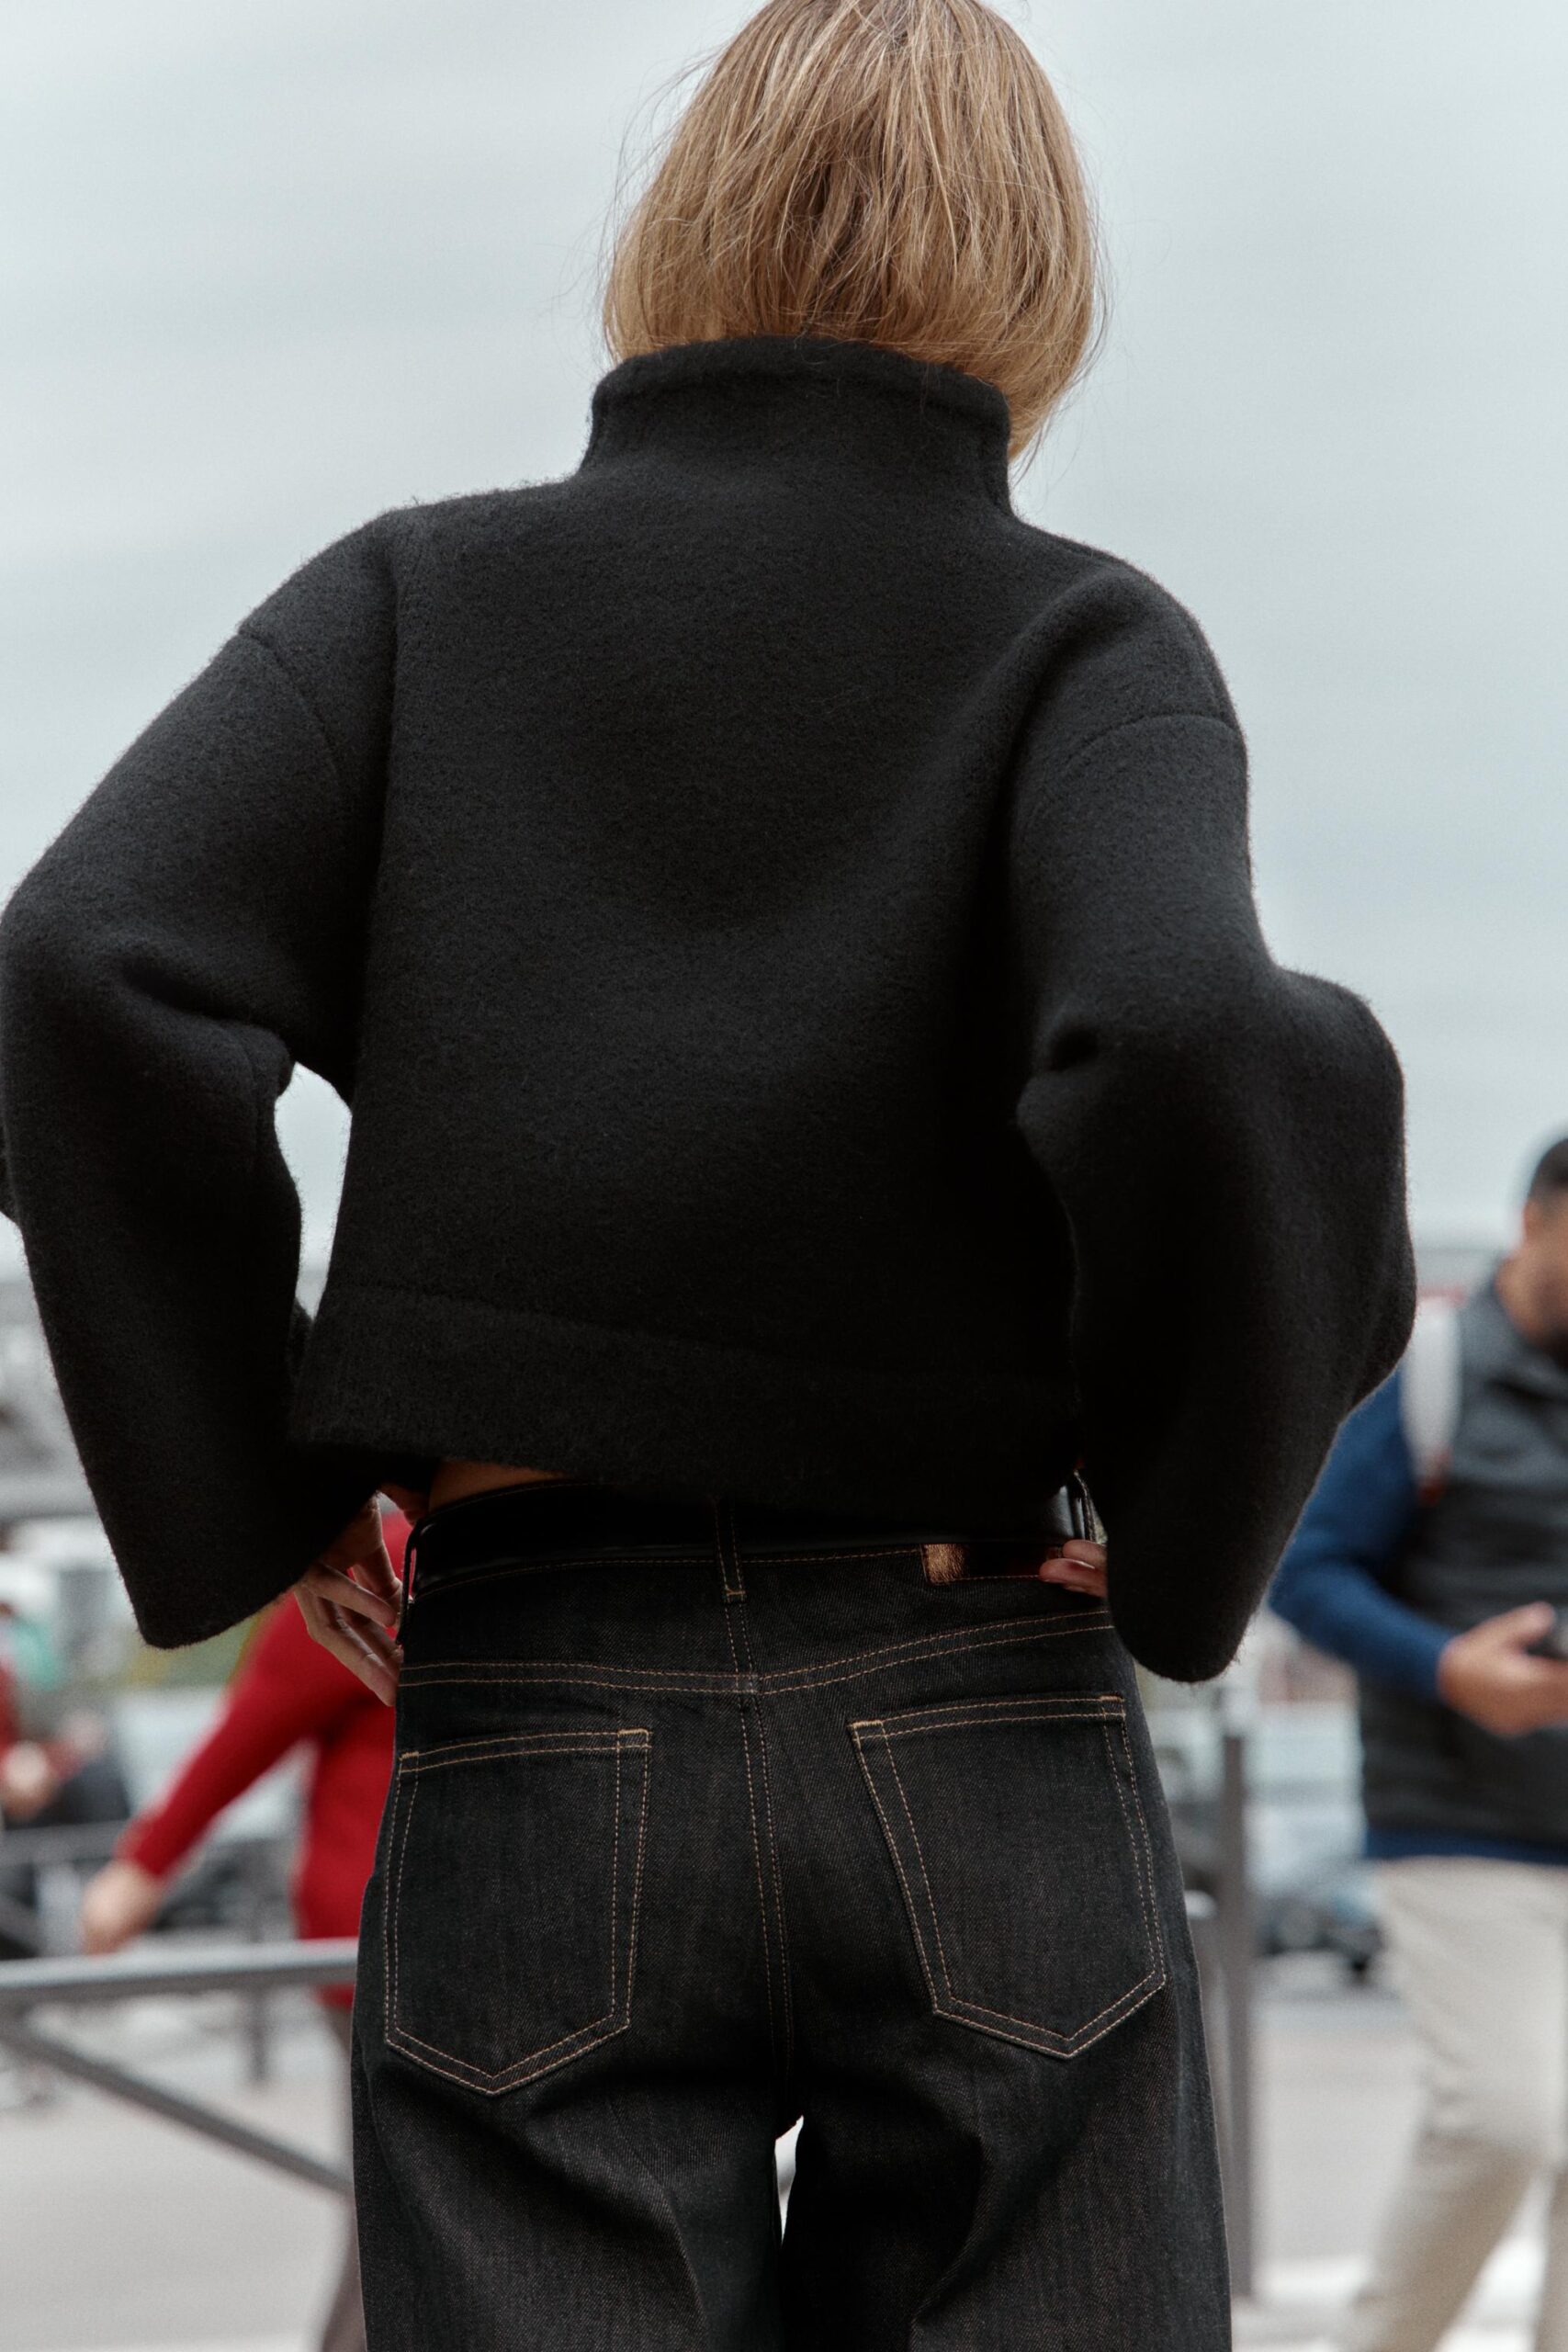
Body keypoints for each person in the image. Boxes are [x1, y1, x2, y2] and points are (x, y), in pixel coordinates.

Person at [0, 2, 1414, 2341]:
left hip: (538, 1668)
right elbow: (1191, 1031)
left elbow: (80, 963)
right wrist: (1176, 1536)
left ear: (676, 229)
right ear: (1034, 265)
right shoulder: (1080, 641)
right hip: (967, 1670)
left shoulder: (411, 603)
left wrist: (256, 1485)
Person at [1271, 1136, 1568, 2352]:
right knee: (1501, 2121)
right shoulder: (1433, 1372)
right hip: (1458, 1821)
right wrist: (1452, 1669)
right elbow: (1305, 1572)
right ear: (1535, 1220)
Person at [78, 1507, 409, 2352]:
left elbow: (256, 1717)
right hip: (396, 1931)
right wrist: (145, 1865)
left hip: (387, 1927)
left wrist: (143, 1868)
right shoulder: (400, 1554)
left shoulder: (398, 1548)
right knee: (412, 2213)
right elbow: (258, 1722)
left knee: (413, 2210)